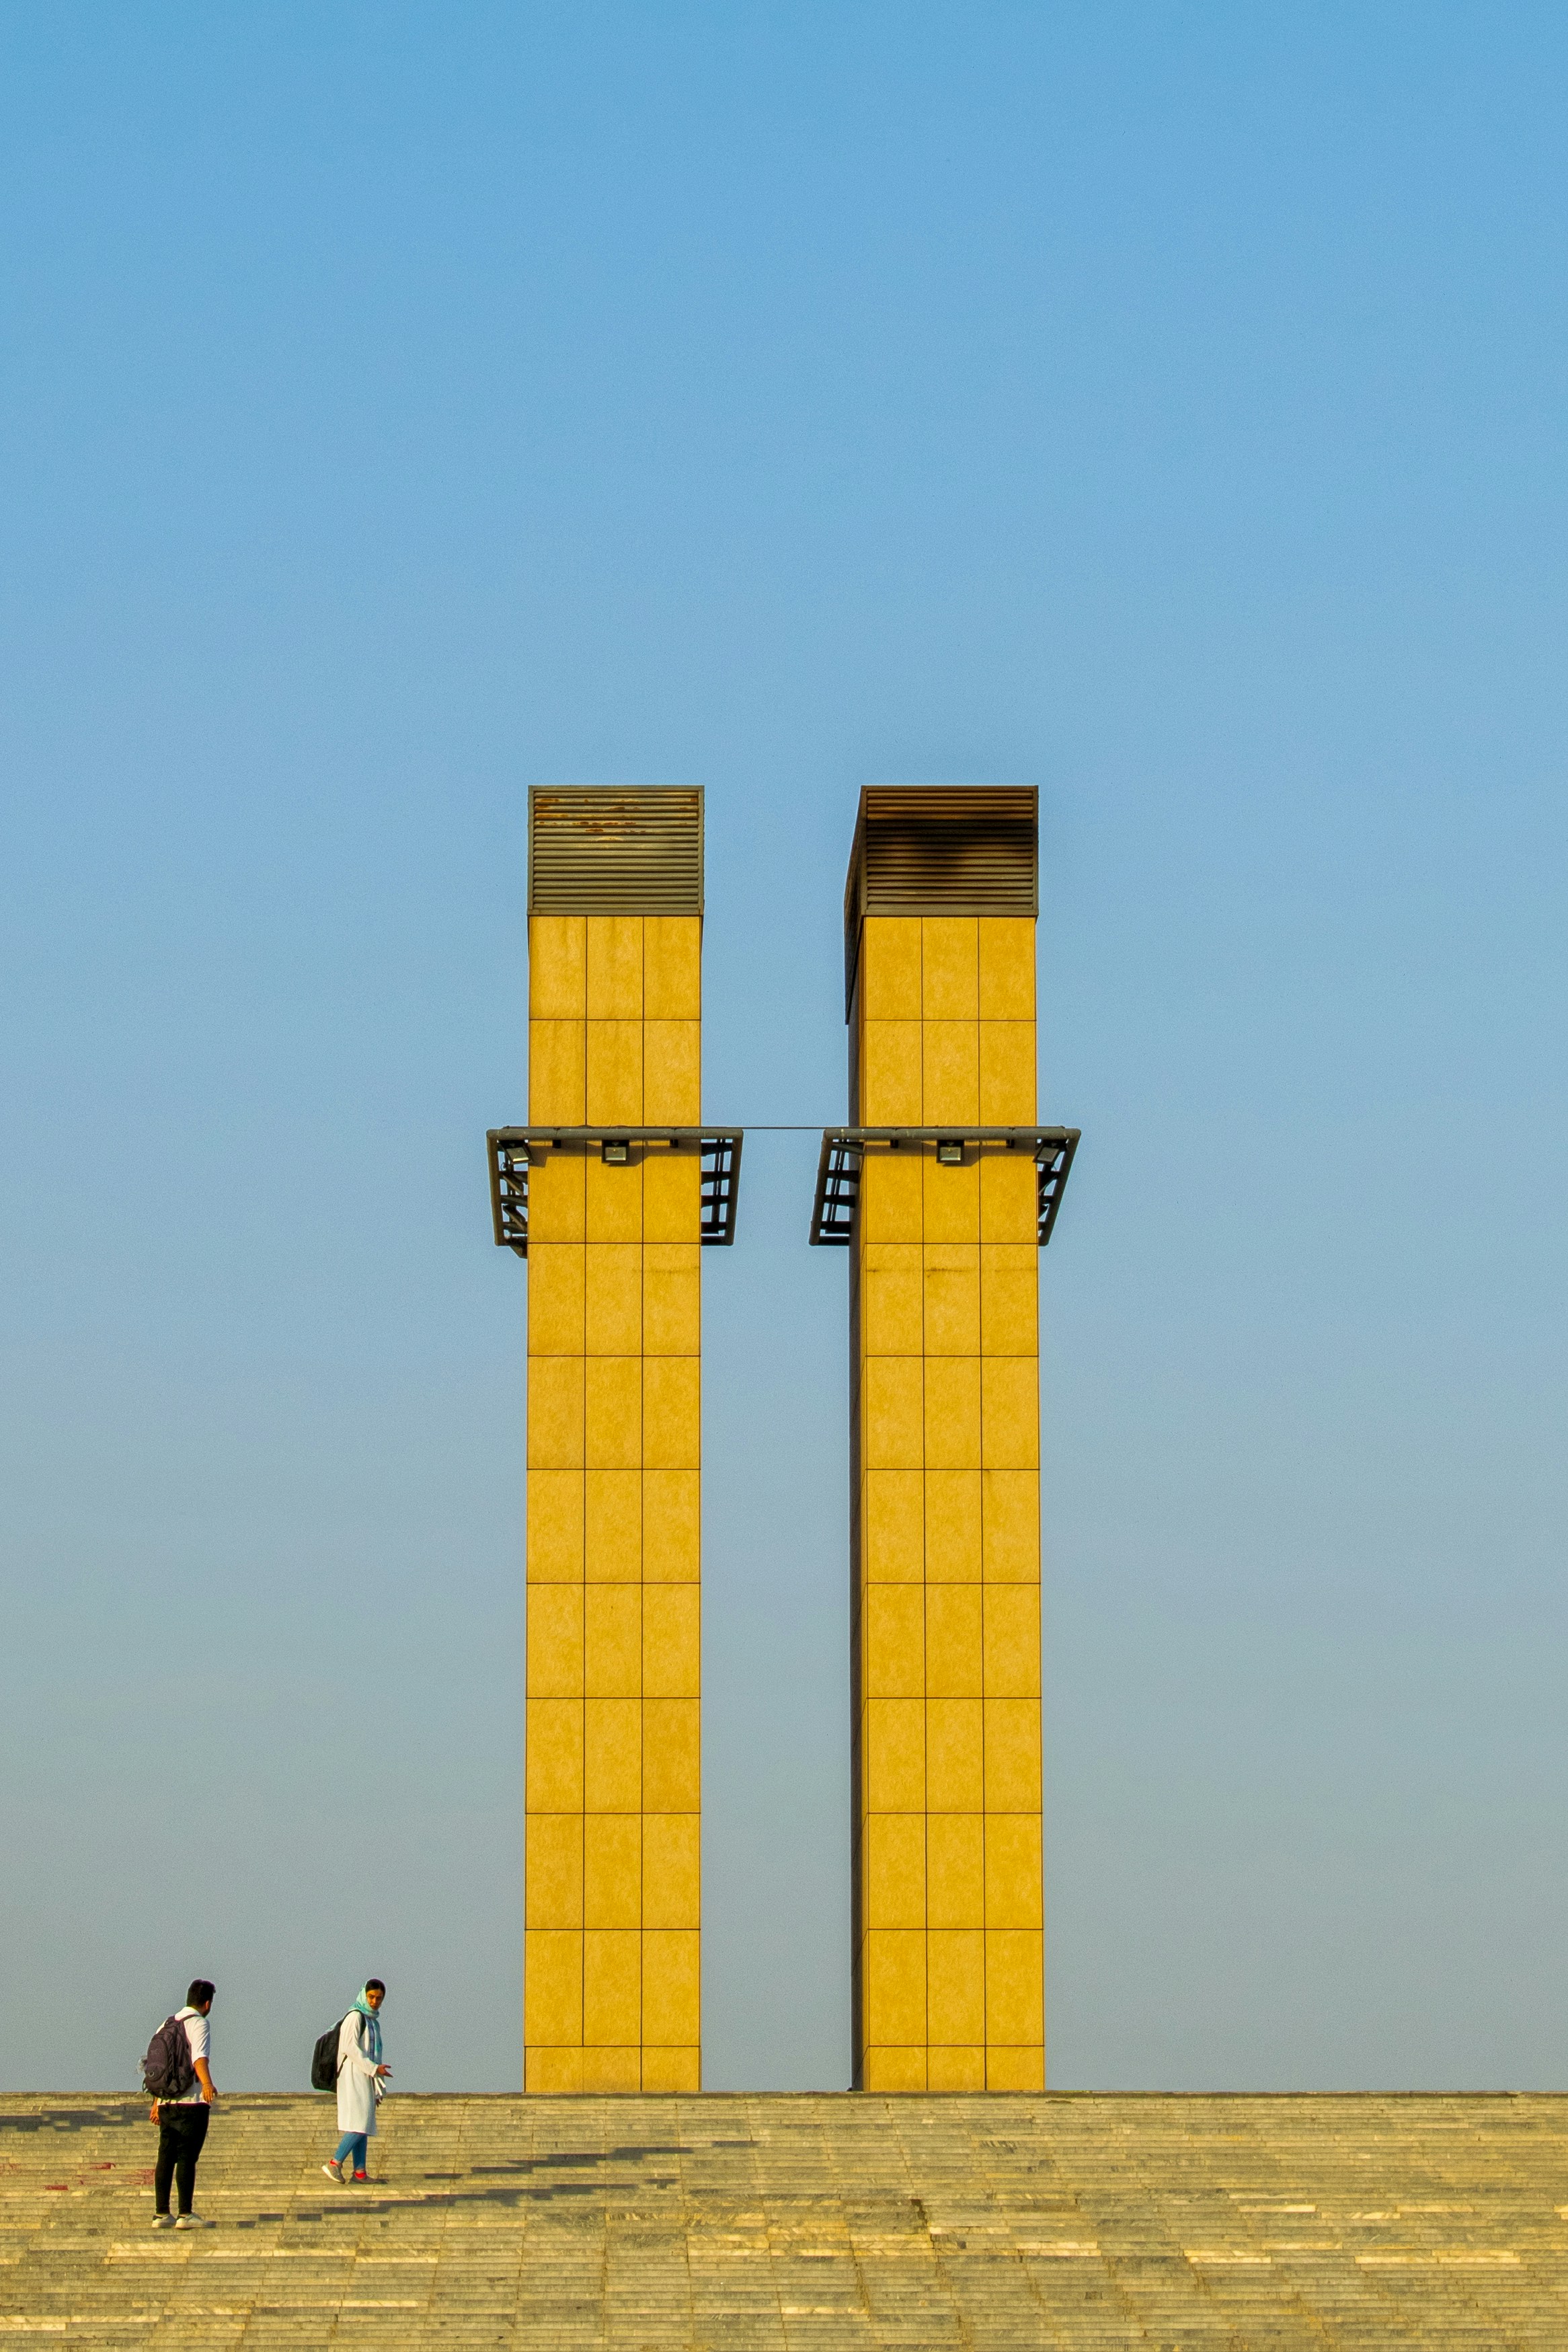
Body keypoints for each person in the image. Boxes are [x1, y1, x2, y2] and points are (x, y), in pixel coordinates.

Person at [150, 1979, 218, 2230]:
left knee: (166, 2155)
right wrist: (208, 2085)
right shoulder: (199, 2023)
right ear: (207, 2003)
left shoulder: (166, 2025)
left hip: (167, 2101)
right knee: (187, 2156)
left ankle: (161, 2214)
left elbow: (157, 2066)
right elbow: (199, 2057)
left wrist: (157, 2102)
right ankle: (185, 2214)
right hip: (191, 2101)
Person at [322, 1980, 390, 2183]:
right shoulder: (355, 2017)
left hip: (365, 2076)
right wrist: (373, 2069)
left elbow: (373, 2054)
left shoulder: (372, 2022)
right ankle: (335, 2163)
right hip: (352, 2074)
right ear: (364, 1995)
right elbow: (350, 2048)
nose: (375, 2001)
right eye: (372, 1997)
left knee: (365, 2122)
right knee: (359, 2122)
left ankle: (360, 2172)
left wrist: (376, 2087)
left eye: (379, 1998)